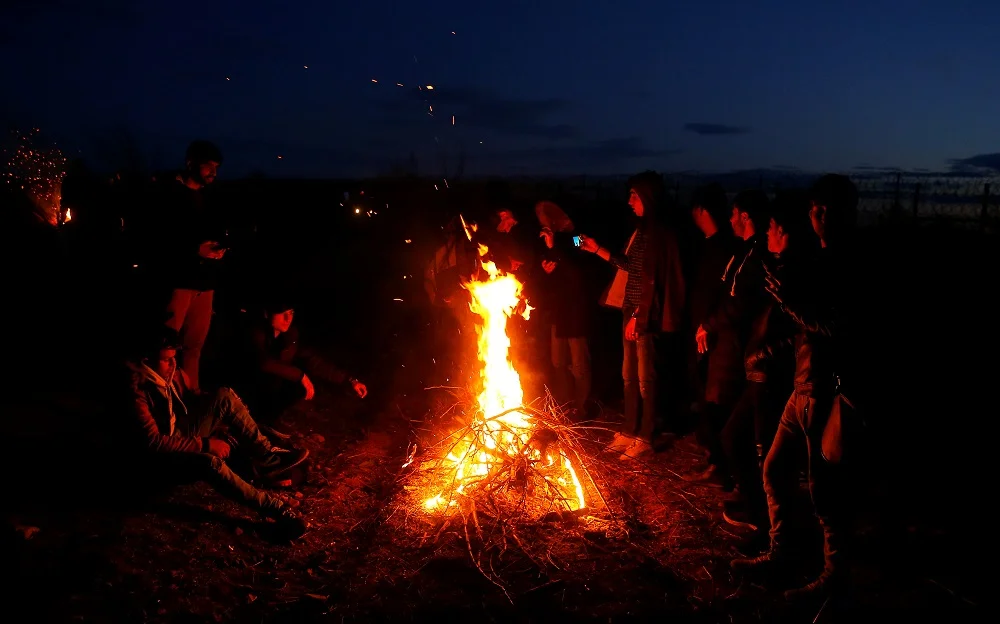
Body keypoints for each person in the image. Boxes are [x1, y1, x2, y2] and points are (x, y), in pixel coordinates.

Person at [731, 174, 859, 602]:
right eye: (814, 209)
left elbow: (836, 327)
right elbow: (806, 331)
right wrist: (771, 348)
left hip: (829, 391)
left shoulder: (851, 262)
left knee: (827, 493)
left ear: (847, 210)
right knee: (774, 471)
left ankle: (834, 578)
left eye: (826, 209)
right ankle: (783, 553)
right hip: (801, 386)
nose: (818, 216)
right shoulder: (818, 261)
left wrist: (791, 302)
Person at [124, 326, 308, 539]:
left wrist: (225, 414)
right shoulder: (138, 391)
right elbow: (153, 442)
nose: (172, 364)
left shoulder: (170, 373)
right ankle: (276, 510)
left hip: (181, 434)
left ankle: (269, 458)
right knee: (210, 463)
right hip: (160, 462)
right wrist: (205, 444)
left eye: (174, 358)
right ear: (146, 360)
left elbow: (192, 399)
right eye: (166, 360)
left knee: (224, 396)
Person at [720, 190, 812, 532]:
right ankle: (759, 511)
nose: (767, 234)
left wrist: (763, 354)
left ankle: (767, 525)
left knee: (767, 456)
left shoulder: (797, 276)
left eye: (771, 228)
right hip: (757, 370)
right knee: (736, 438)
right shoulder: (772, 267)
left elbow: (801, 331)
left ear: (784, 233)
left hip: (773, 375)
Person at [579, 171, 686, 460]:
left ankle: (646, 435)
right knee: (628, 374)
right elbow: (631, 267)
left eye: (634, 195)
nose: (629, 201)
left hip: (646, 313)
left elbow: (654, 279)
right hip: (632, 309)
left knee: (644, 377)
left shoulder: (658, 232)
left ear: (648, 197)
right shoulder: (641, 231)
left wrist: (640, 314)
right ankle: (629, 429)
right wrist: (597, 249)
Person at [684, 189, 770, 485]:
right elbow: (724, 293)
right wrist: (705, 324)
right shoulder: (741, 250)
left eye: (734, 214)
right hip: (722, 337)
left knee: (722, 402)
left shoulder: (757, 255)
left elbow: (741, 302)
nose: (730, 219)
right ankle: (718, 463)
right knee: (713, 399)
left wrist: (710, 323)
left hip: (737, 342)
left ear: (745, 216)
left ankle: (726, 470)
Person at [148, 140, 227, 394]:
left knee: (194, 349)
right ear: (191, 163)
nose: (213, 172)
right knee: (165, 347)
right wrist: (195, 249)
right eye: (208, 166)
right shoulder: (168, 193)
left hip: (205, 284)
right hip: (179, 281)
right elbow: (158, 238)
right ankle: (157, 400)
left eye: (216, 167)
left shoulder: (208, 197)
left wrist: (218, 249)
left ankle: (190, 402)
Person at [232, 297, 369, 440]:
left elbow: (314, 361)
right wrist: (301, 376)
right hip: (243, 390)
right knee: (291, 379)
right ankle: (249, 422)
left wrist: (350, 380)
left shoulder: (290, 336)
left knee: (298, 386)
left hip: (268, 391)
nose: (288, 318)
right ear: (267, 314)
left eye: (291, 313)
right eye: (282, 313)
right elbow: (264, 363)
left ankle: (267, 422)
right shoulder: (254, 331)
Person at [682, 183, 740, 487]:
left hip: (714, 337)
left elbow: (724, 296)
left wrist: (707, 326)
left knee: (714, 401)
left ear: (701, 211)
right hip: (701, 332)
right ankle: (714, 460)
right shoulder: (706, 244)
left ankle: (721, 466)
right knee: (703, 397)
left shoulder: (725, 248)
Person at [536, 201, 591, 415]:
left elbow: (577, 271)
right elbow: (552, 275)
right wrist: (546, 271)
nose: (543, 225)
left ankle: (581, 407)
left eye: (545, 220)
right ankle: (564, 405)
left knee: (578, 364)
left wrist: (553, 248)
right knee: (558, 362)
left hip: (575, 311)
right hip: (558, 312)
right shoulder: (550, 240)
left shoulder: (578, 238)